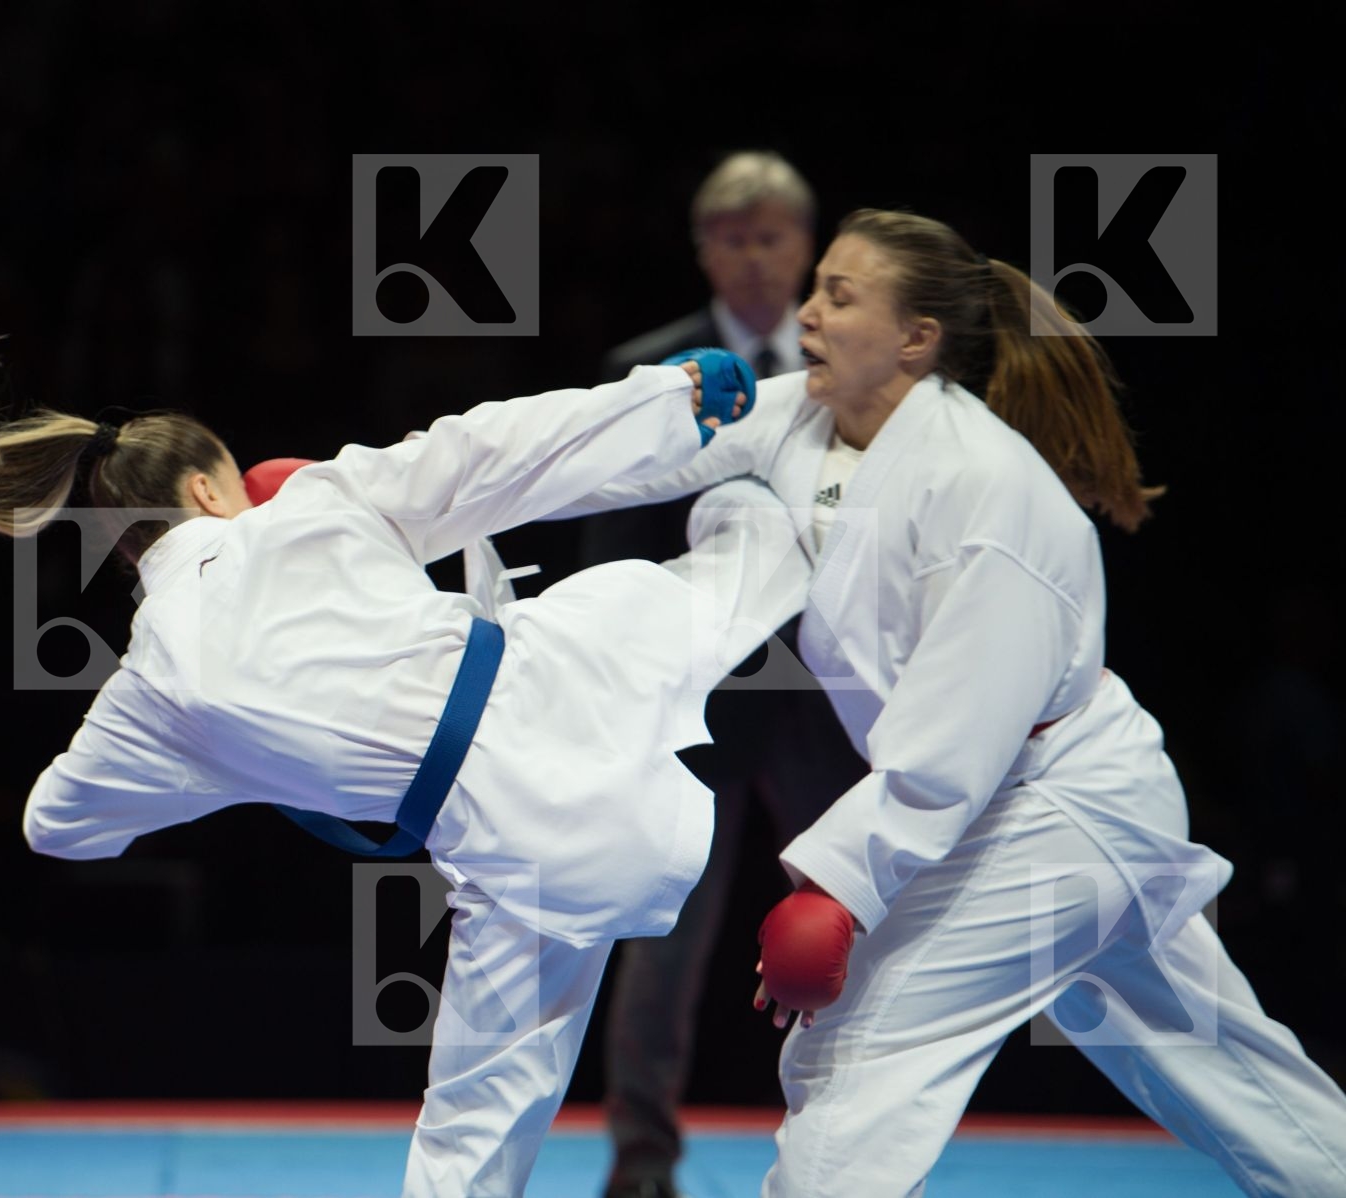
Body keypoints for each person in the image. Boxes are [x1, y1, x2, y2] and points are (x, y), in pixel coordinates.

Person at [0, 315, 792, 1196]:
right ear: (210, 487)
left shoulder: (150, 692)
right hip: (585, 676)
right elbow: (497, 452)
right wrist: (661, 401)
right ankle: (840, 437)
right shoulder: (314, 500)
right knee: (757, 534)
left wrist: (237, 765)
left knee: (467, 1143)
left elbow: (53, 827)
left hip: (531, 859)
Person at [562, 209, 1346, 1196]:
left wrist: (838, 886)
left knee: (850, 1064)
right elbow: (630, 450)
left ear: (915, 338)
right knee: (1236, 1077)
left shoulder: (988, 491)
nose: (805, 311)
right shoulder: (811, 421)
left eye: (839, 295)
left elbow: (953, 745)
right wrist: (396, 496)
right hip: (1041, 808)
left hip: (1049, 811)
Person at [580, 150, 866, 1198]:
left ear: (806, 244)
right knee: (661, 943)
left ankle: (855, 1149)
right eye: (733, 239)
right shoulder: (647, 367)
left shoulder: (855, 367)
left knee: (855, 924)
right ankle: (641, 1165)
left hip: (826, 695)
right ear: (704, 249)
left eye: (773, 238)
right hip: (690, 700)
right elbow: (609, 546)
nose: (753, 258)